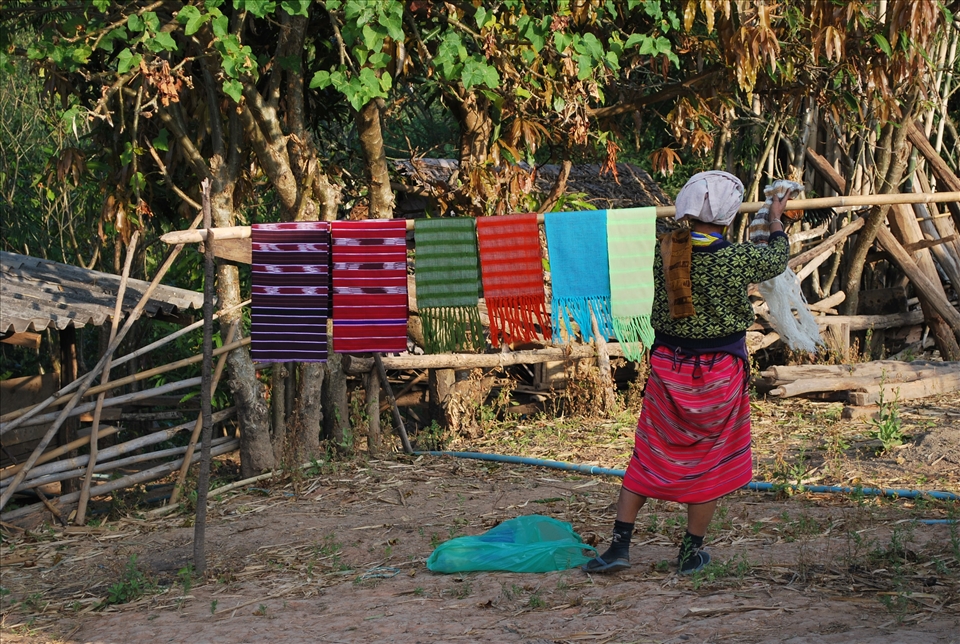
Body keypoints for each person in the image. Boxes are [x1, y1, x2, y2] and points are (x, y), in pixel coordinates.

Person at [583, 171, 791, 575]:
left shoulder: (666, 250)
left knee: (647, 455)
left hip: (667, 369)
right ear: (729, 216)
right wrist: (776, 221)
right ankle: (689, 553)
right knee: (709, 462)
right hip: (719, 375)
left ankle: (618, 549)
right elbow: (774, 258)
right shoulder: (736, 259)